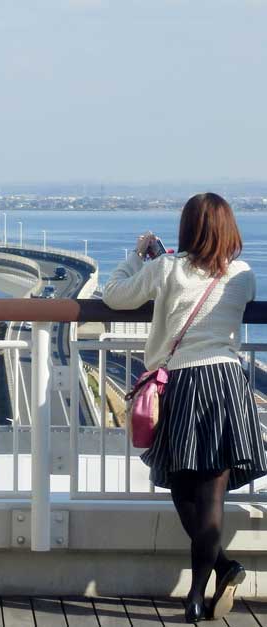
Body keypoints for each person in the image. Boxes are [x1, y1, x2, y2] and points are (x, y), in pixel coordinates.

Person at [103, 193, 267, 622]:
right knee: (208, 492)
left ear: (188, 228)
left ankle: (201, 589)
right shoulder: (244, 274)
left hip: (183, 381)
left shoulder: (167, 267)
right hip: (228, 383)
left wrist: (137, 256)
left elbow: (115, 295)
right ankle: (212, 578)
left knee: (180, 484)